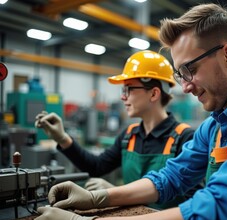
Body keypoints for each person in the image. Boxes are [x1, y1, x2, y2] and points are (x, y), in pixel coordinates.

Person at [31, 3, 227, 220]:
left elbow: (217, 210)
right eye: (181, 75)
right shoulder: (216, 124)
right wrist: (99, 198)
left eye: (189, 70)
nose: (185, 86)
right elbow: (171, 177)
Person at [34, 50, 197, 209]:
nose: (122, 97)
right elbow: (96, 167)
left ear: (154, 94)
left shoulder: (185, 138)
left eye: (128, 89)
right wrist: (62, 138)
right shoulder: (129, 135)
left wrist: (113, 191)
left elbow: (194, 202)